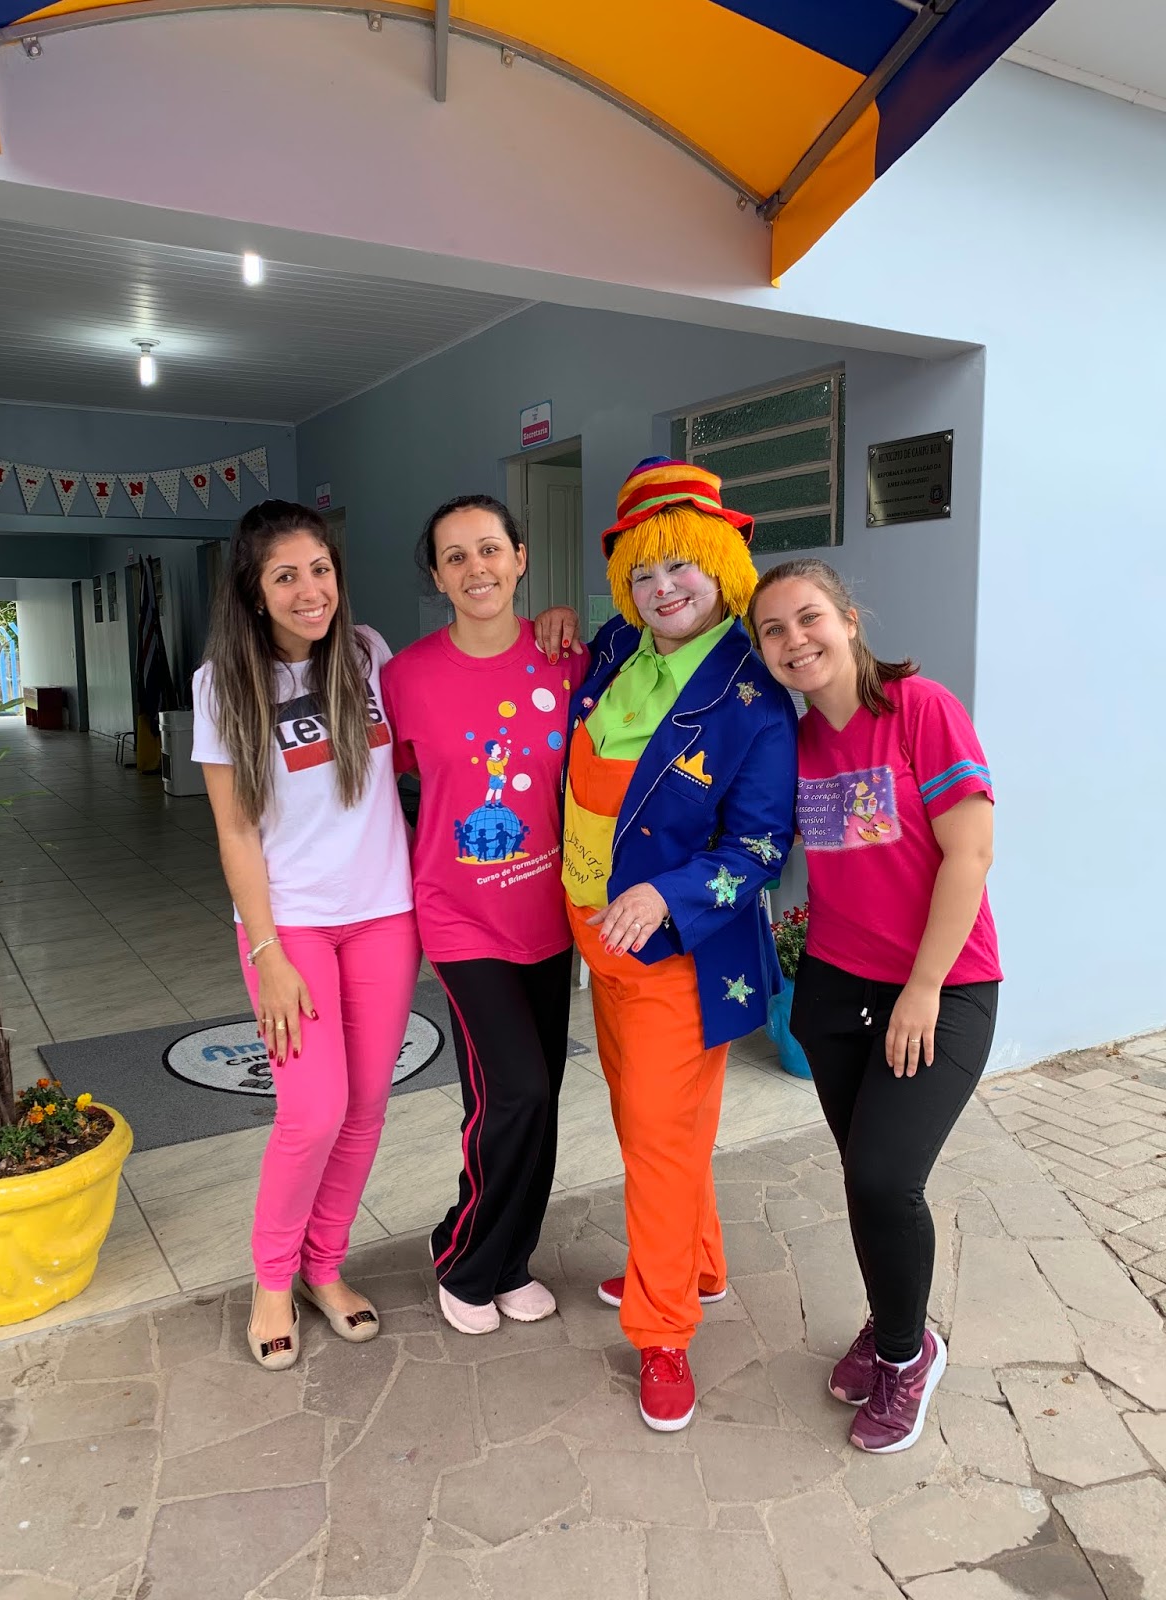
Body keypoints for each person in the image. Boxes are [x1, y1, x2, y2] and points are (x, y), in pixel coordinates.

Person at [558, 456, 798, 1432]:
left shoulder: (756, 698)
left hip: (681, 955)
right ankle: (695, 1262)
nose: (664, 588)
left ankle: (663, 1332)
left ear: (721, 565)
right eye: (644, 571)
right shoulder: (619, 644)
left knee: (657, 1139)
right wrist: (555, 624)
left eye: (682, 566)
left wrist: (667, 893)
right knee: (650, 1123)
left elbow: (762, 846)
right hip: (596, 940)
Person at [749, 558, 1001, 1453]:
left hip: (943, 986)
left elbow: (971, 854)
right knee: (865, 1176)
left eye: (809, 617)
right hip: (834, 987)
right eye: (773, 630)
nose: (794, 640)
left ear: (849, 620)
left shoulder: (920, 709)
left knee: (888, 1178)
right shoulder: (793, 739)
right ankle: (893, 1319)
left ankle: (908, 1354)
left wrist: (923, 989)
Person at [193, 499, 419, 1370]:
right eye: (285, 576)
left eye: (319, 569)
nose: (309, 590)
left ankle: (325, 1266)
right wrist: (268, 952)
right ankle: (272, 1280)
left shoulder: (367, 653)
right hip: (291, 929)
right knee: (312, 1110)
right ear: (254, 592)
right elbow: (235, 831)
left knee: (365, 1106)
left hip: (384, 914)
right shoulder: (222, 685)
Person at [381, 494, 589, 1336]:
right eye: (456, 556)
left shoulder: (566, 662)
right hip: (460, 919)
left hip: (551, 916)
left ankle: (511, 1260)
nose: (477, 569)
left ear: (520, 557)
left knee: (542, 1098)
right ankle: (463, 1254)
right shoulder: (405, 678)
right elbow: (374, 789)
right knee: (513, 1093)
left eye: (491, 549)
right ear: (437, 577)